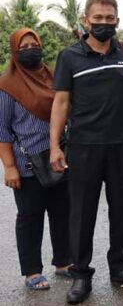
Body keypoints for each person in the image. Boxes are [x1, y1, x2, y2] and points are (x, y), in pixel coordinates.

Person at [50, 0, 123, 304]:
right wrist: (54, 147)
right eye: (97, 18)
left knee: (120, 209)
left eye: (109, 18)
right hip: (83, 147)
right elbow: (61, 103)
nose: (103, 23)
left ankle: (120, 268)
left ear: (117, 20)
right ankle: (81, 275)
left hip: (119, 146)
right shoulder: (70, 57)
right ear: (85, 21)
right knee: (82, 214)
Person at [0, 29, 72, 290]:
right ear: (15, 52)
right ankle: (32, 272)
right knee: (30, 216)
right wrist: (9, 167)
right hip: (27, 164)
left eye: (34, 44)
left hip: (58, 157)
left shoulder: (54, 77)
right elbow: (2, 131)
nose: (31, 49)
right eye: (24, 46)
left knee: (62, 212)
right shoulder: (7, 85)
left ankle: (64, 263)